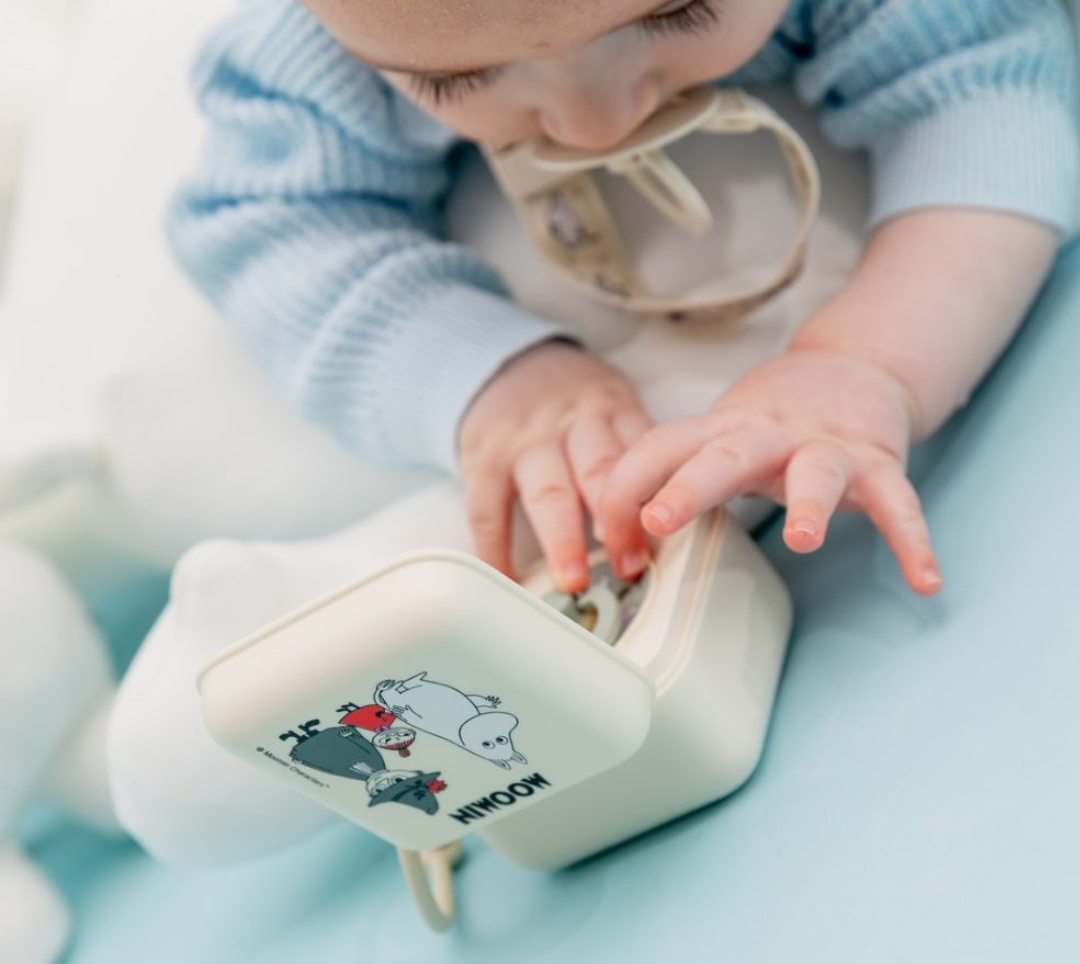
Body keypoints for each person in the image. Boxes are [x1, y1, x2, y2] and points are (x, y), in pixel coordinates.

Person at [169, 0, 1079, 597]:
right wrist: (486, 376)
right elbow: (271, 228)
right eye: (459, 80)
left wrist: (866, 360)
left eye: (677, 12)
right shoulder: (314, 56)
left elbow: (991, 92)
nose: (594, 124)